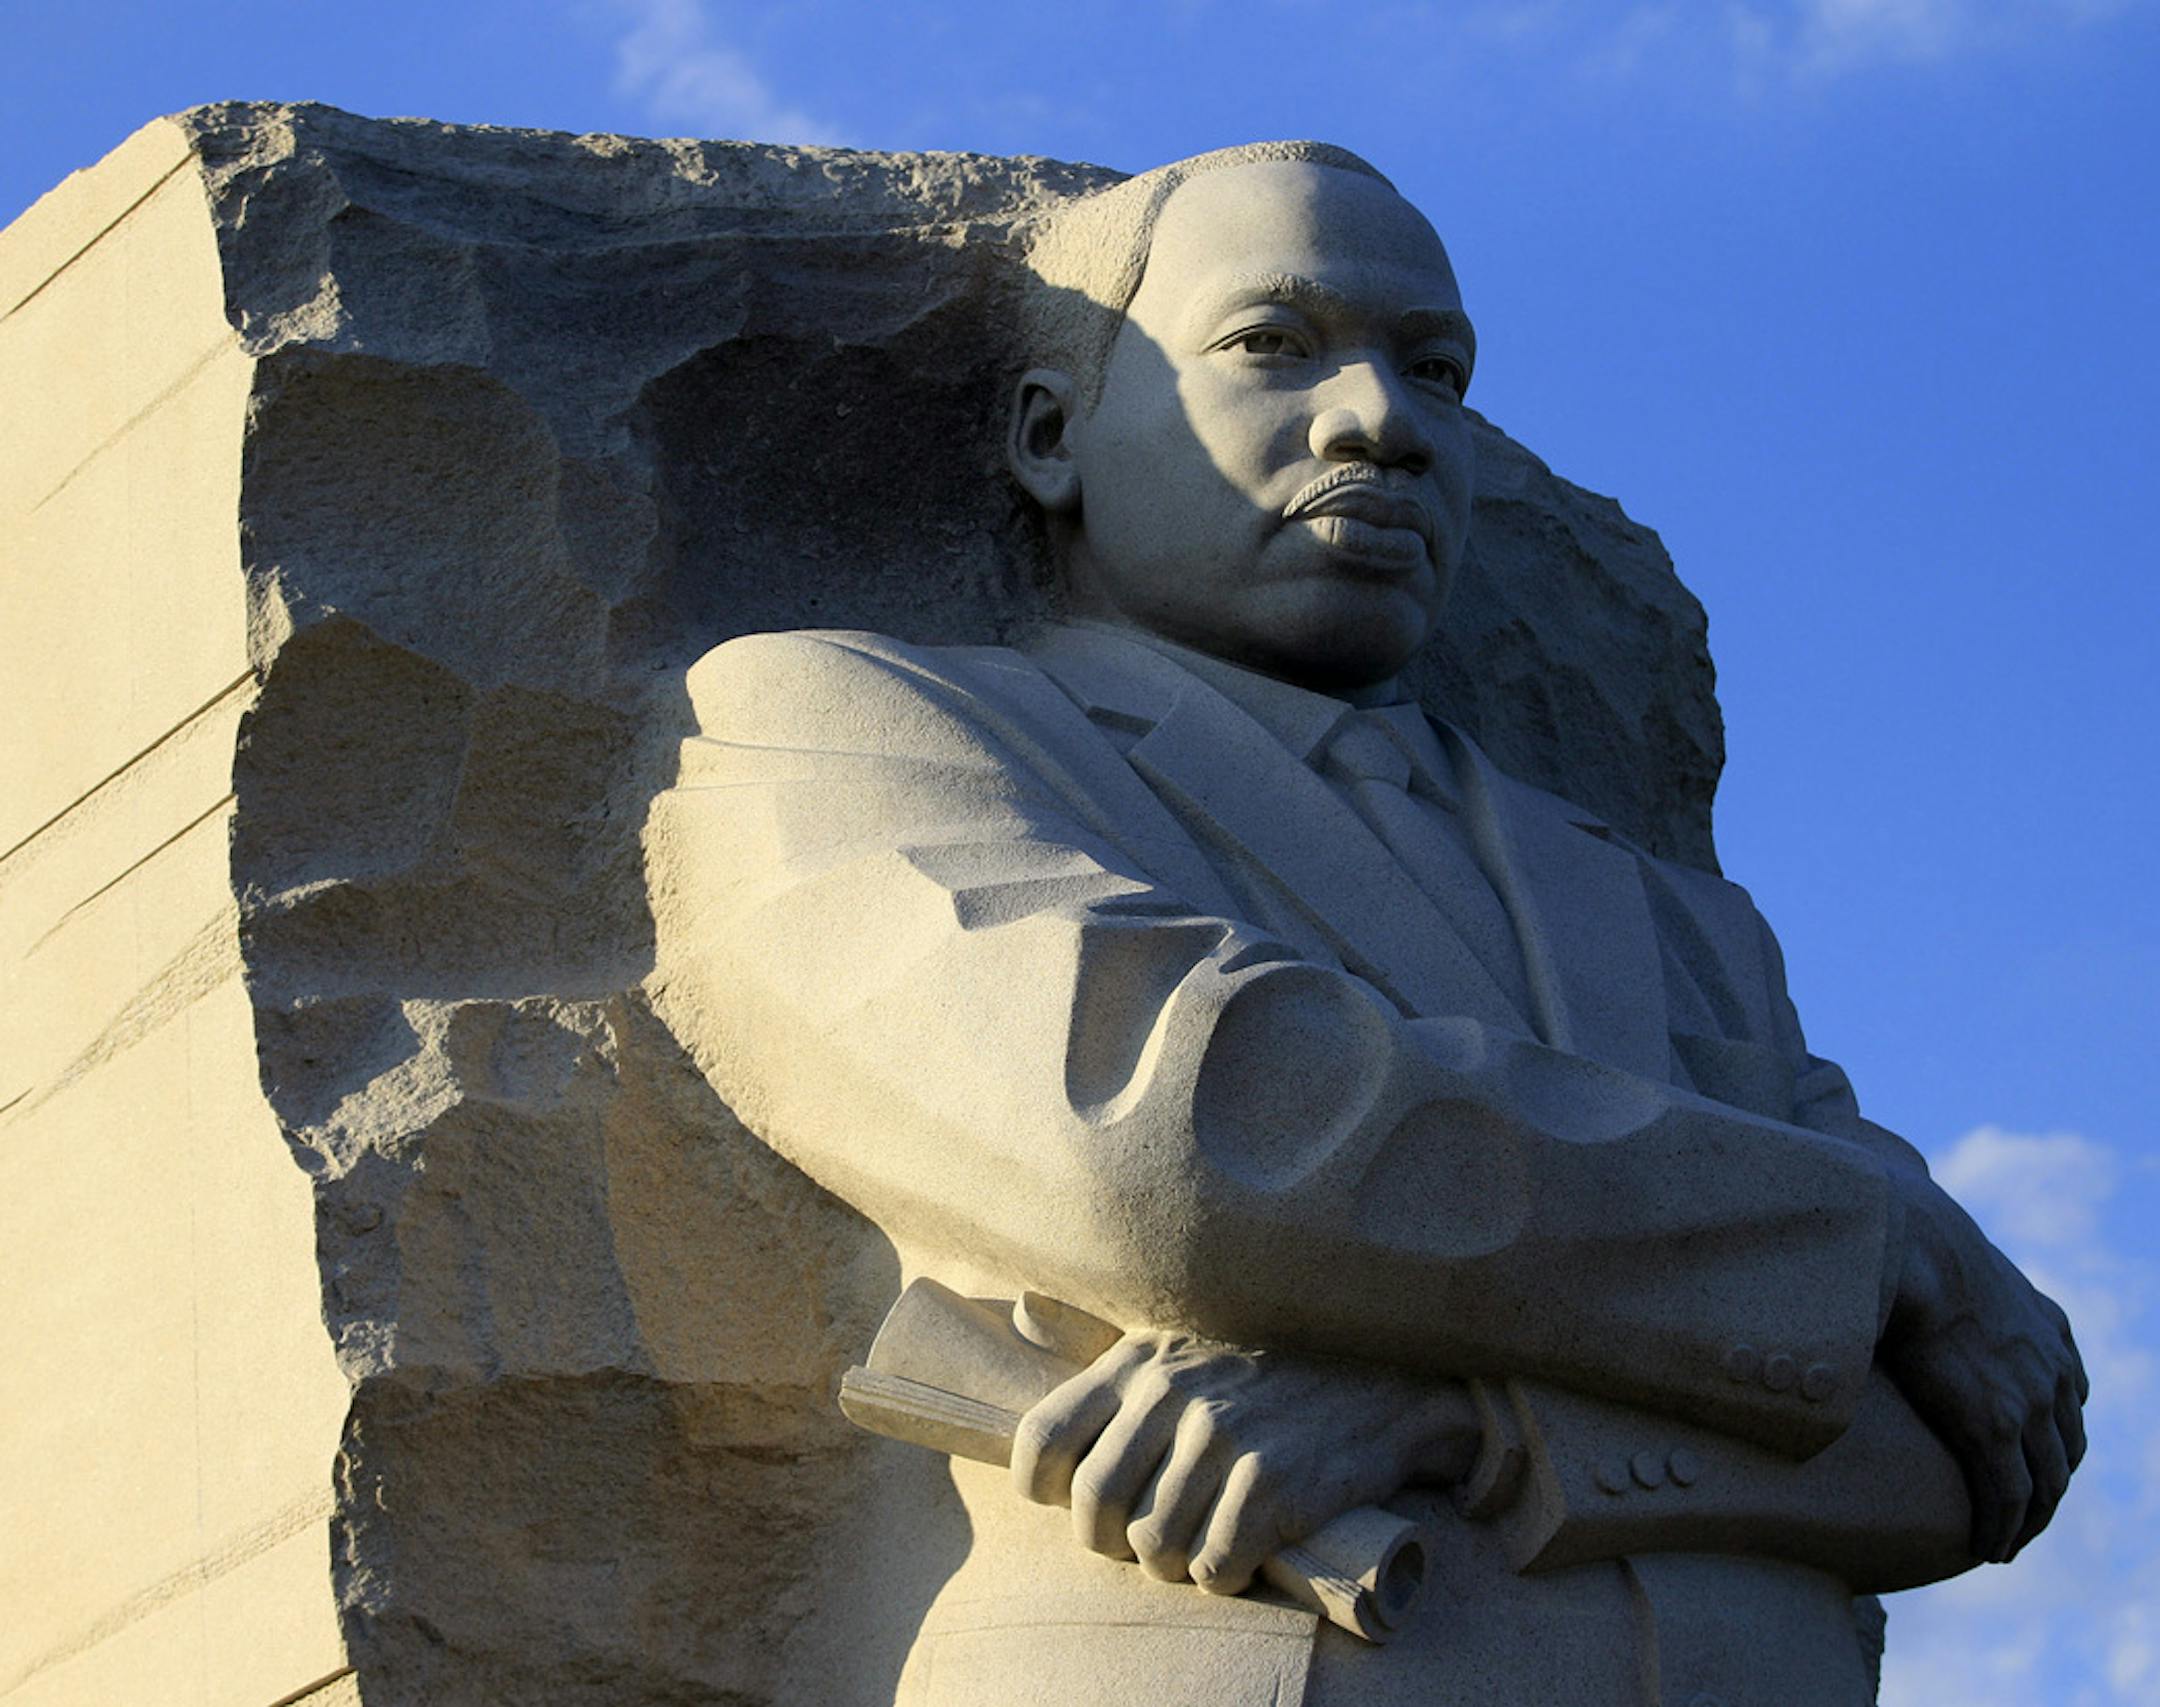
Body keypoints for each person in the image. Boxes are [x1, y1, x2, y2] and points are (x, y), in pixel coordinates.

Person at [645, 141, 2085, 1706]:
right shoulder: (845, 723)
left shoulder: (1673, 917)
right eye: (1272, 343)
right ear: (1053, 439)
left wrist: (1470, 1424)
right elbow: (1174, 1138)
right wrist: (1873, 1241)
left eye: (1436, 371)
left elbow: (1971, 1451)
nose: (1382, 423)